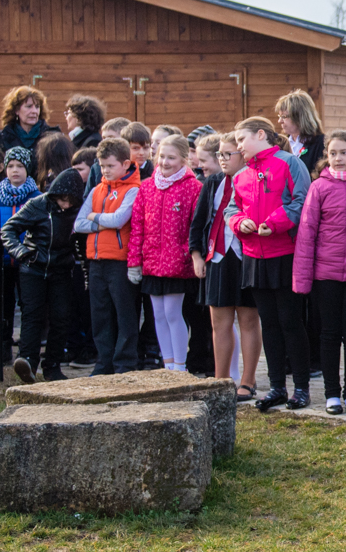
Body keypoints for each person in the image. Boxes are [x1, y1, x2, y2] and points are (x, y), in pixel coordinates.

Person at [227, 116, 312, 410]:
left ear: (261, 134)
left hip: (285, 254)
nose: (238, 147)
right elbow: (231, 209)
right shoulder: (240, 175)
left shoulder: (289, 163)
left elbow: (302, 202)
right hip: (254, 258)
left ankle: (301, 387)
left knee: (291, 322)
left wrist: (273, 224)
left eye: (241, 139)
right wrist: (241, 223)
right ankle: (277, 386)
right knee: (270, 324)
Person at [293, 129, 346, 414]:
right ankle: (332, 394)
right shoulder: (319, 187)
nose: (338, 158)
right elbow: (306, 235)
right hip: (325, 276)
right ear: (326, 157)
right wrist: (303, 280)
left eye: (344, 152)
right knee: (329, 335)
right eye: (333, 153)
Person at [191, 133, 262, 400]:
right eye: (219, 154)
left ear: (243, 155)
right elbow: (198, 222)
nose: (221, 160)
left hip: (246, 257)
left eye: (227, 154)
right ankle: (221, 380)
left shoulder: (255, 179)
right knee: (219, 321)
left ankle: (248, 380)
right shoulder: (213, 183)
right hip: (217, 256)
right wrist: (197, 256)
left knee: (247, 319)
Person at [1, 169, 85, 383]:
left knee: (61, 317)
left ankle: (52, 366)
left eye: (69, 201)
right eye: (62, 199)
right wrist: (21, 252)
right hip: (33, 268)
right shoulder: (38, 205)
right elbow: (8, 229)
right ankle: (27, 361)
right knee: (32, 315)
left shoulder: (78, 210)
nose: (65, 205)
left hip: (62, 270)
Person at [129, 134, 202, 373]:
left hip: (177, 264)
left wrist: (187, 254)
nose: (165, 162)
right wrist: (135, 261)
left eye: (171, 157)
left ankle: (180, 364)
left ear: (183, 159)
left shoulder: (193, 187)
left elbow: (195, 226)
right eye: (161, 156)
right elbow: (137, 226)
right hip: (152, 261)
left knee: (172, 313)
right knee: (157, 315)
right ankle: (168, 363)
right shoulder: (147, 186)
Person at [74, 136, 142, 375]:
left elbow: (119, 220)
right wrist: (101, 223)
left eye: (110, 166)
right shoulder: (96, 190)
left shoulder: (133, 190)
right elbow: (79, 224)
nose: (105, 170)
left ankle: (124, 363)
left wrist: (94, 218)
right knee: (100, 315)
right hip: (96, 260)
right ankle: (104, 363)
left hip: (120, 262)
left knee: (124, 314)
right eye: (102, 166)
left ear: (125, 164)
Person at [0, 147, 43, 360]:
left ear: (28, 169)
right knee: (2, 306)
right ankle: (2, 349)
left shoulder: (37, 197)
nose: (15, 171)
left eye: (20, 166)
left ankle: (26, 351)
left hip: (27, 262)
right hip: (1, 261)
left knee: (27, 307)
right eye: (11, 166)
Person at [0, 85, 61, 154]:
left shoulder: (52, 138)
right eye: (29, 106)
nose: (34, 111)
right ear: (17, 110)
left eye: (37, 107)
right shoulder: (3, 139)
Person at [275, 90, 326, 175]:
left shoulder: (321, 143)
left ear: (300, 117)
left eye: (284, 117)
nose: (279, 121)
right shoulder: (280, 143)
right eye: (279, 116)